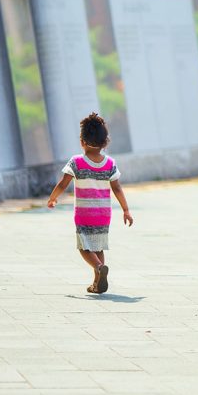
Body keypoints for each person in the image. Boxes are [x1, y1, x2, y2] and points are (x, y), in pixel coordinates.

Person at [46, 112, 132, 294]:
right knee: (98, 246)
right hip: (103, 214)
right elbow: (117, 188)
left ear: (82, 141)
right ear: (104, 142)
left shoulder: (76, 162)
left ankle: (100, 269)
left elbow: (63, 183)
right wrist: (126, 210)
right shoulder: (110, 163)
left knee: (84, 247)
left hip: (84, 214)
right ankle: (97, 282)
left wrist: (53, 198)